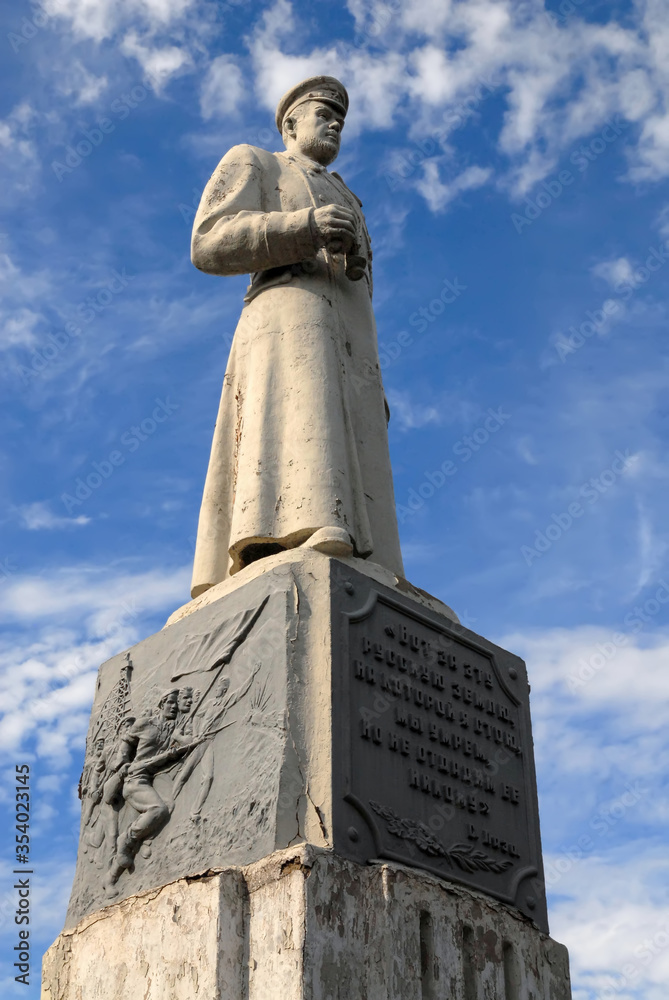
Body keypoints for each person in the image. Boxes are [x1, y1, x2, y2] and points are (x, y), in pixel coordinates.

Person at [190, 75, 405, 598]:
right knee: (294, 431)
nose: (334, 123)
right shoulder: (256, 162)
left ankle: (367, 564)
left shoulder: (352, 199)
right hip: (288, 325)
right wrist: (303, 228)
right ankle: (292, 533)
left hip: (350, 355)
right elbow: (208, 241)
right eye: (322, 113)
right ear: (290, 123)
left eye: (341, 118)